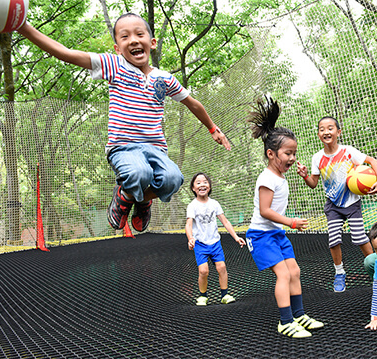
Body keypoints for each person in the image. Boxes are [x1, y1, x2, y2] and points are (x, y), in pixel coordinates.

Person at [17, 13, 231, 232]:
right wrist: (23, 27)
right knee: (140, 173)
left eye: (139, 34)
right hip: (124, 147)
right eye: (125, 37)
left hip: (155, 148)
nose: (134, 40)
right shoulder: (114, 65)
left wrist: (212, 128)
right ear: (118, 48)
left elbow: (193, 103)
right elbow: (66, 53)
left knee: (173, 179)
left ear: (152, 43)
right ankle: (124, 195)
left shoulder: (164, 78)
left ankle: (140, 200)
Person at [245, 96, 324, 338]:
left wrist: (303, 176)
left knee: (295, 271)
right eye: (287, 153)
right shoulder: (266, 178)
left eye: (294, 153)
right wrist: (291, 222)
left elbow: (309, 186)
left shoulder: (280, 175)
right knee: (284, 273)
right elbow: (265, 211)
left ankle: (299, 315)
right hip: (260, 236)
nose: (292, 158)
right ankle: (285, 321)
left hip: (276, 234)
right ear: (271, 154)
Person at [296, 116, 377, 292]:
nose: (326, 132)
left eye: (330, 128)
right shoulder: (317, 158)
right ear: (318, 134)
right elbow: (313, 184)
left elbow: (372, 161)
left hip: (352, 203)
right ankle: (340, 273)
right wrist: (305, 175)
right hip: (333, 205)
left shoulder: (348, 151)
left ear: (338, 132)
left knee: (359, 237)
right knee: (334, 239)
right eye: (322, 129)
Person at [186, 172, 246, 306]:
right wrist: (190, 238)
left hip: (215, 243)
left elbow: (225, 222)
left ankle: (225, 295)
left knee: (222, 267)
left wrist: (236, 237)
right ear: (193, 188)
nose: (202, 184)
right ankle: (203, 296)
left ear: (209, 186)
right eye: (198, 182)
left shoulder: (214, 204)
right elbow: (189, 224)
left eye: (205, 182)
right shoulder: (192, 206)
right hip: (200, 244)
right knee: (203, 271)